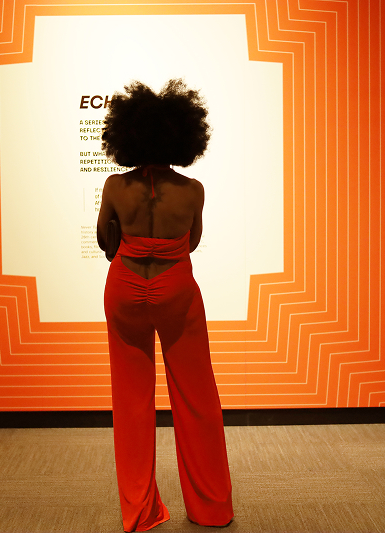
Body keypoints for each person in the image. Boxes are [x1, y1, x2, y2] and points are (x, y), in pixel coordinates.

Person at [96, 79, 234, 531]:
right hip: (176, 290)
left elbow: (105, 241)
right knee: (197, 398)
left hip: (125, 289)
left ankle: (140, 512)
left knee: (131, 402)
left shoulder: (115, 186)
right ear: (183, 136)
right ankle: (211, 508)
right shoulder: (192, 189)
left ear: (128, 135)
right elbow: (191, 242)